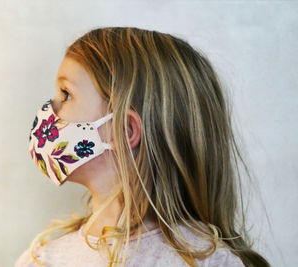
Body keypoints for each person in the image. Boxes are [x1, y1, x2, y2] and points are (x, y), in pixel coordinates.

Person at [16, 27, 270, 267]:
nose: (50, 108)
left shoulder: (207, 261)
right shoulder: (42, 259)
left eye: (66, 94)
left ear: (125, 131)